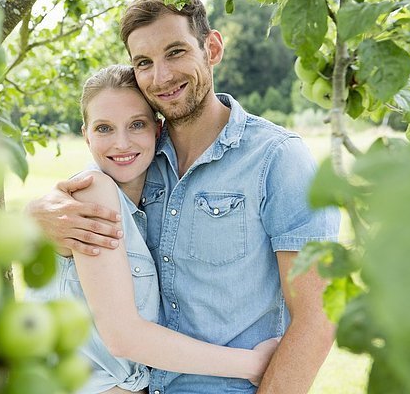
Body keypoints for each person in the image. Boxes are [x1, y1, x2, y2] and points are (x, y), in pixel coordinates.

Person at [26, 0, 341, 393]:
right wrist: (33, 216)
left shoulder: (277, 158)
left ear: (212, 48)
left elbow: (319, 316)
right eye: (144, 63)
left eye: (175, 53)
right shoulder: (137, 162)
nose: (160, 77)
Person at [26, 64, 279, 393]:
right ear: (85, 134)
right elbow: (124, 338)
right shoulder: (92, 192)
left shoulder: (151, 205)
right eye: (104, 128)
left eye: (136, 124)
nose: (121, 143)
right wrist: (252, 364)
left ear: (157, 130)